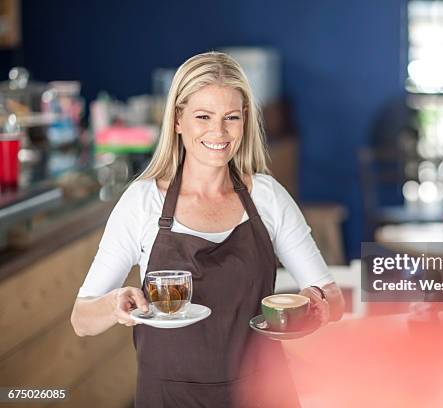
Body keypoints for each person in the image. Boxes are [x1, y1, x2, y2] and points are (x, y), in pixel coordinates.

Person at [70, 52, 345, 407]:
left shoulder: (267, 197)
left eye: (231, 117)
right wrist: (113, 305)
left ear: (244, 121)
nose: (218, 132)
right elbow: (82, 320)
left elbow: (331, 296)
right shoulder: (142, 202)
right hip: (167, 397)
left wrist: (319, 306)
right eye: (203, 116)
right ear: (178, 120)